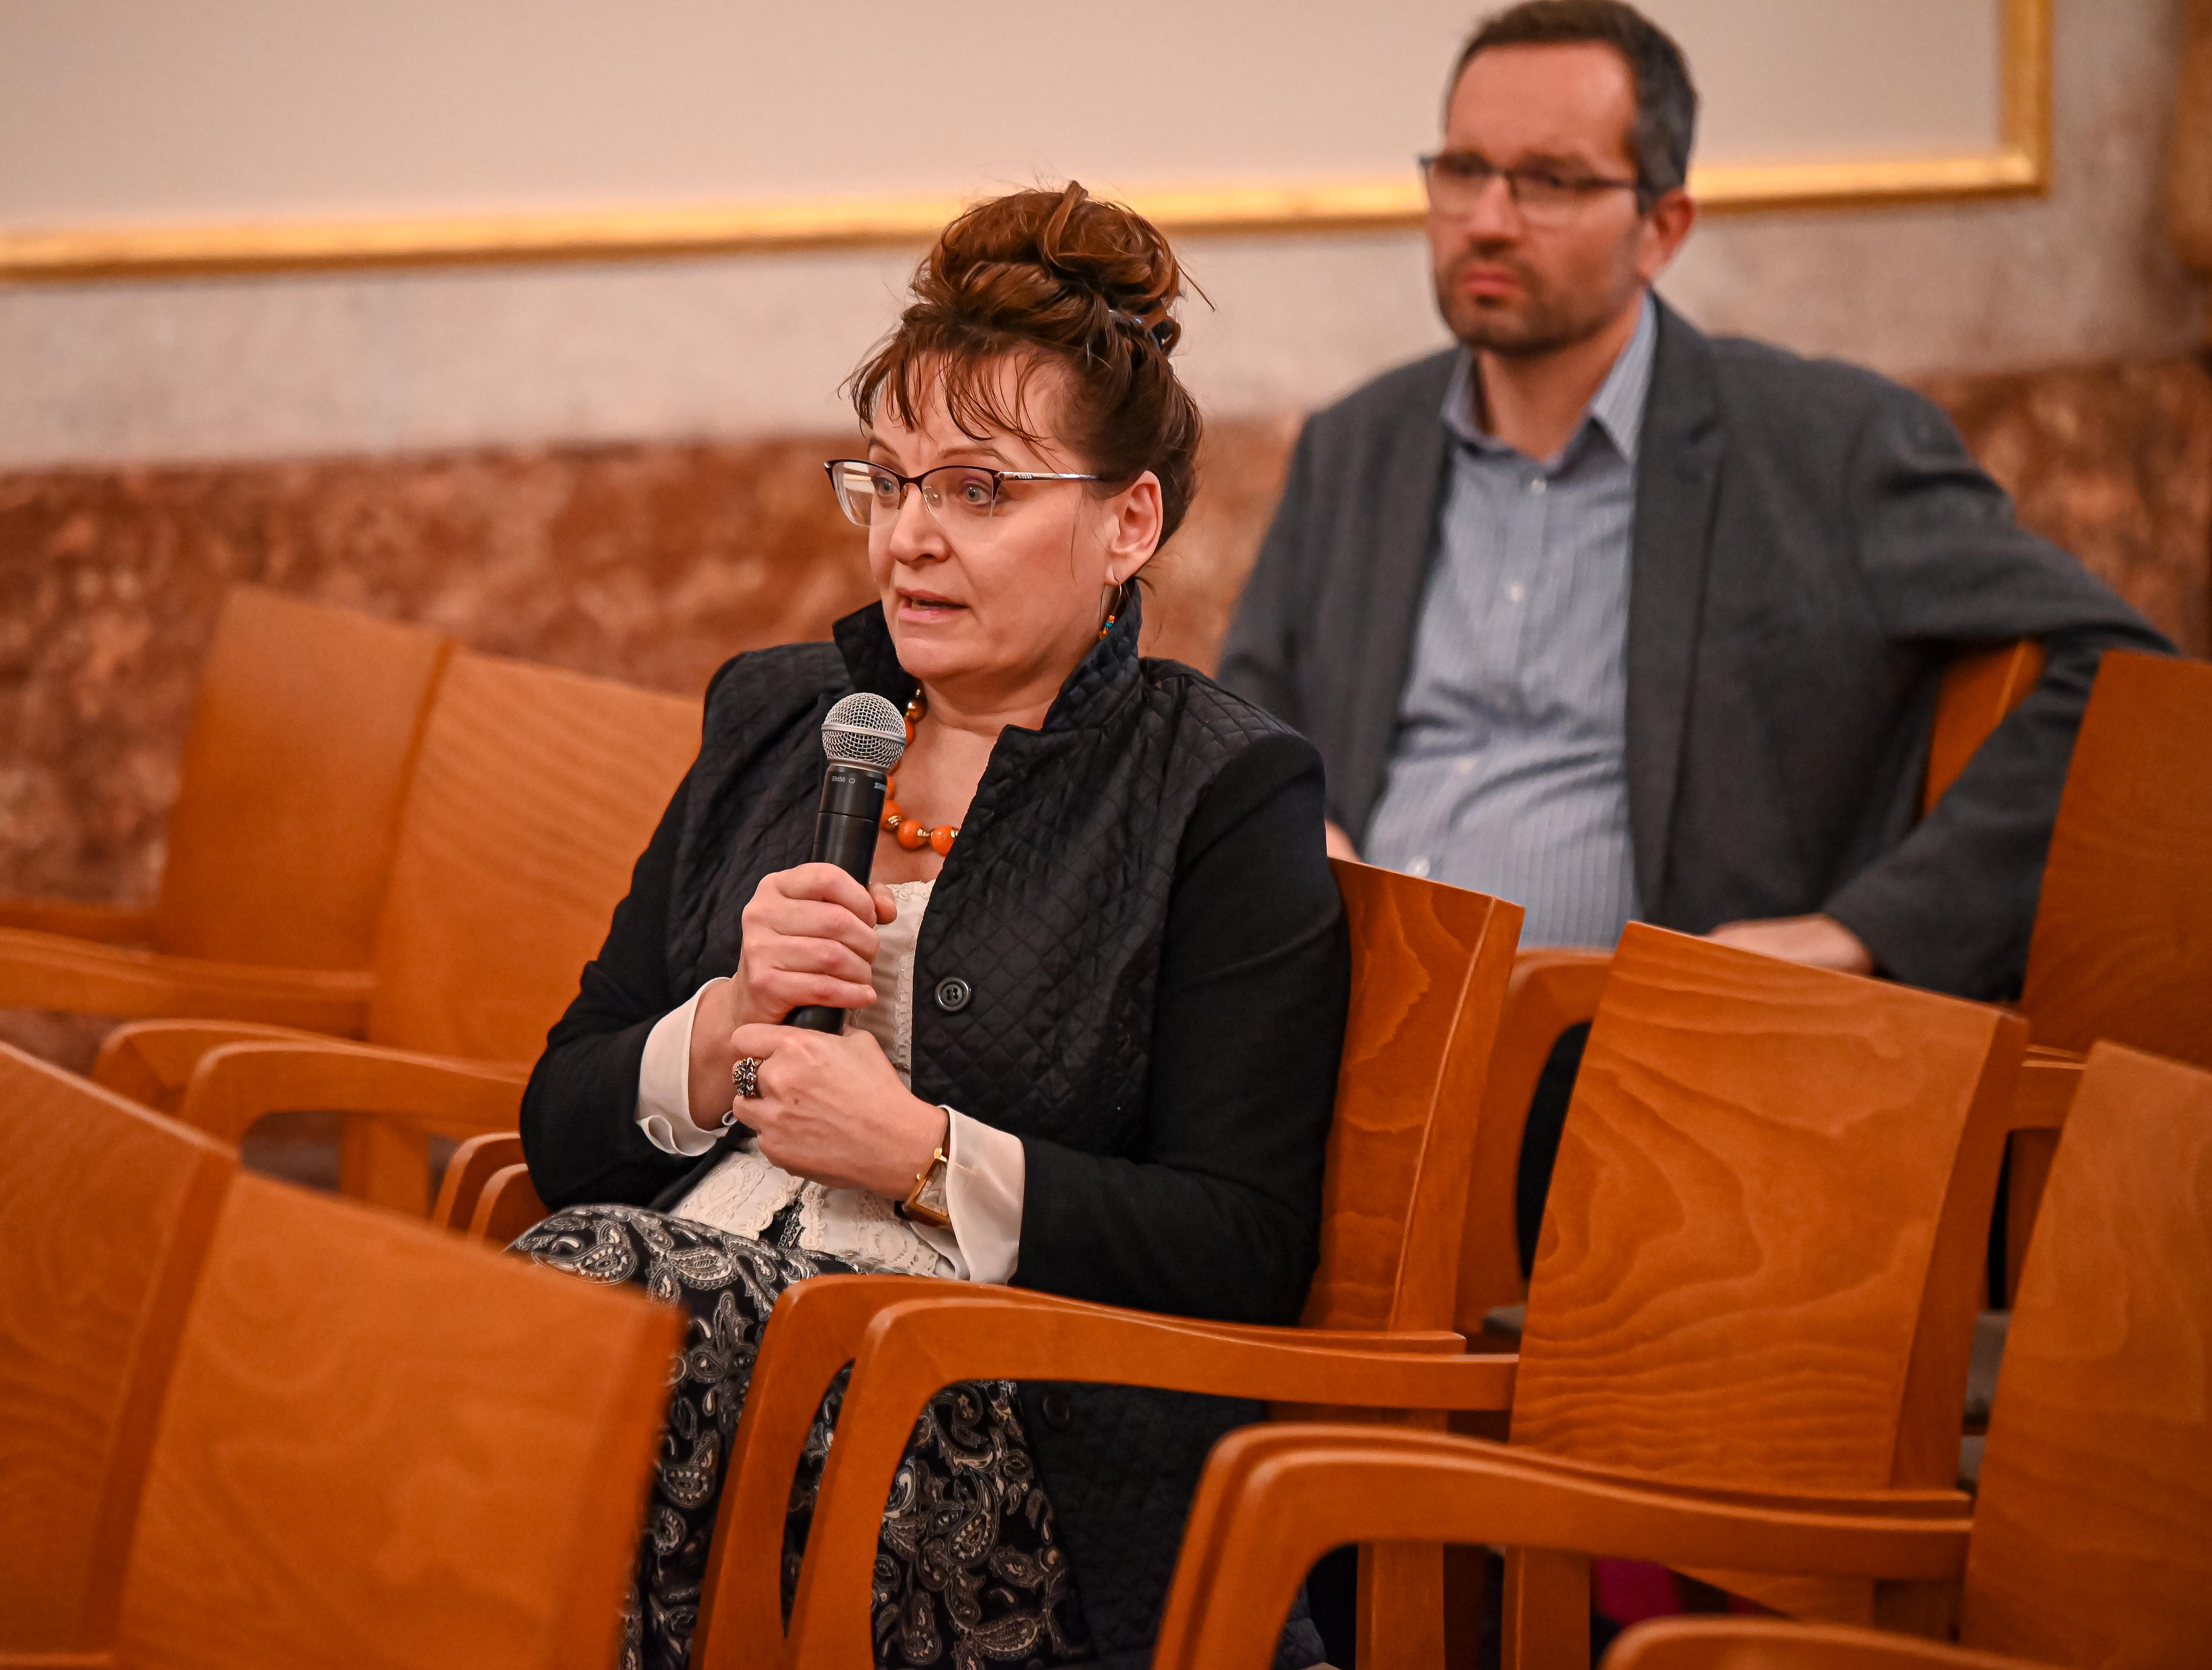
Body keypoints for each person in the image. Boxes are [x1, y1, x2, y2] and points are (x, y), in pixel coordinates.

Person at [515, 183, 1346, 1670]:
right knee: (533, 1327)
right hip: (693, 1341)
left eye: (978, 492)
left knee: (599, 1323)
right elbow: (561, 1115)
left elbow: (1241, 1245)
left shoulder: (1219, 791)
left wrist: (920, 1156)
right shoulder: (783, 720)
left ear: (1128, 521)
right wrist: (723, 1029)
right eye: (888, 484)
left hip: (996, 1437)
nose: (909, 539)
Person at [1217, 0, 2171, 1273]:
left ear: (1663, 226)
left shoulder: (1824, 447)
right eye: (1464, 170)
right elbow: (1252, 719)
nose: (1488, 218)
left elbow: (2123, 676)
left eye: (1550, 181)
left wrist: (1866, 930)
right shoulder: (1359, 446)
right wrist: (1306, 837)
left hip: (1642, 1084)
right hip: (1359, 1048)